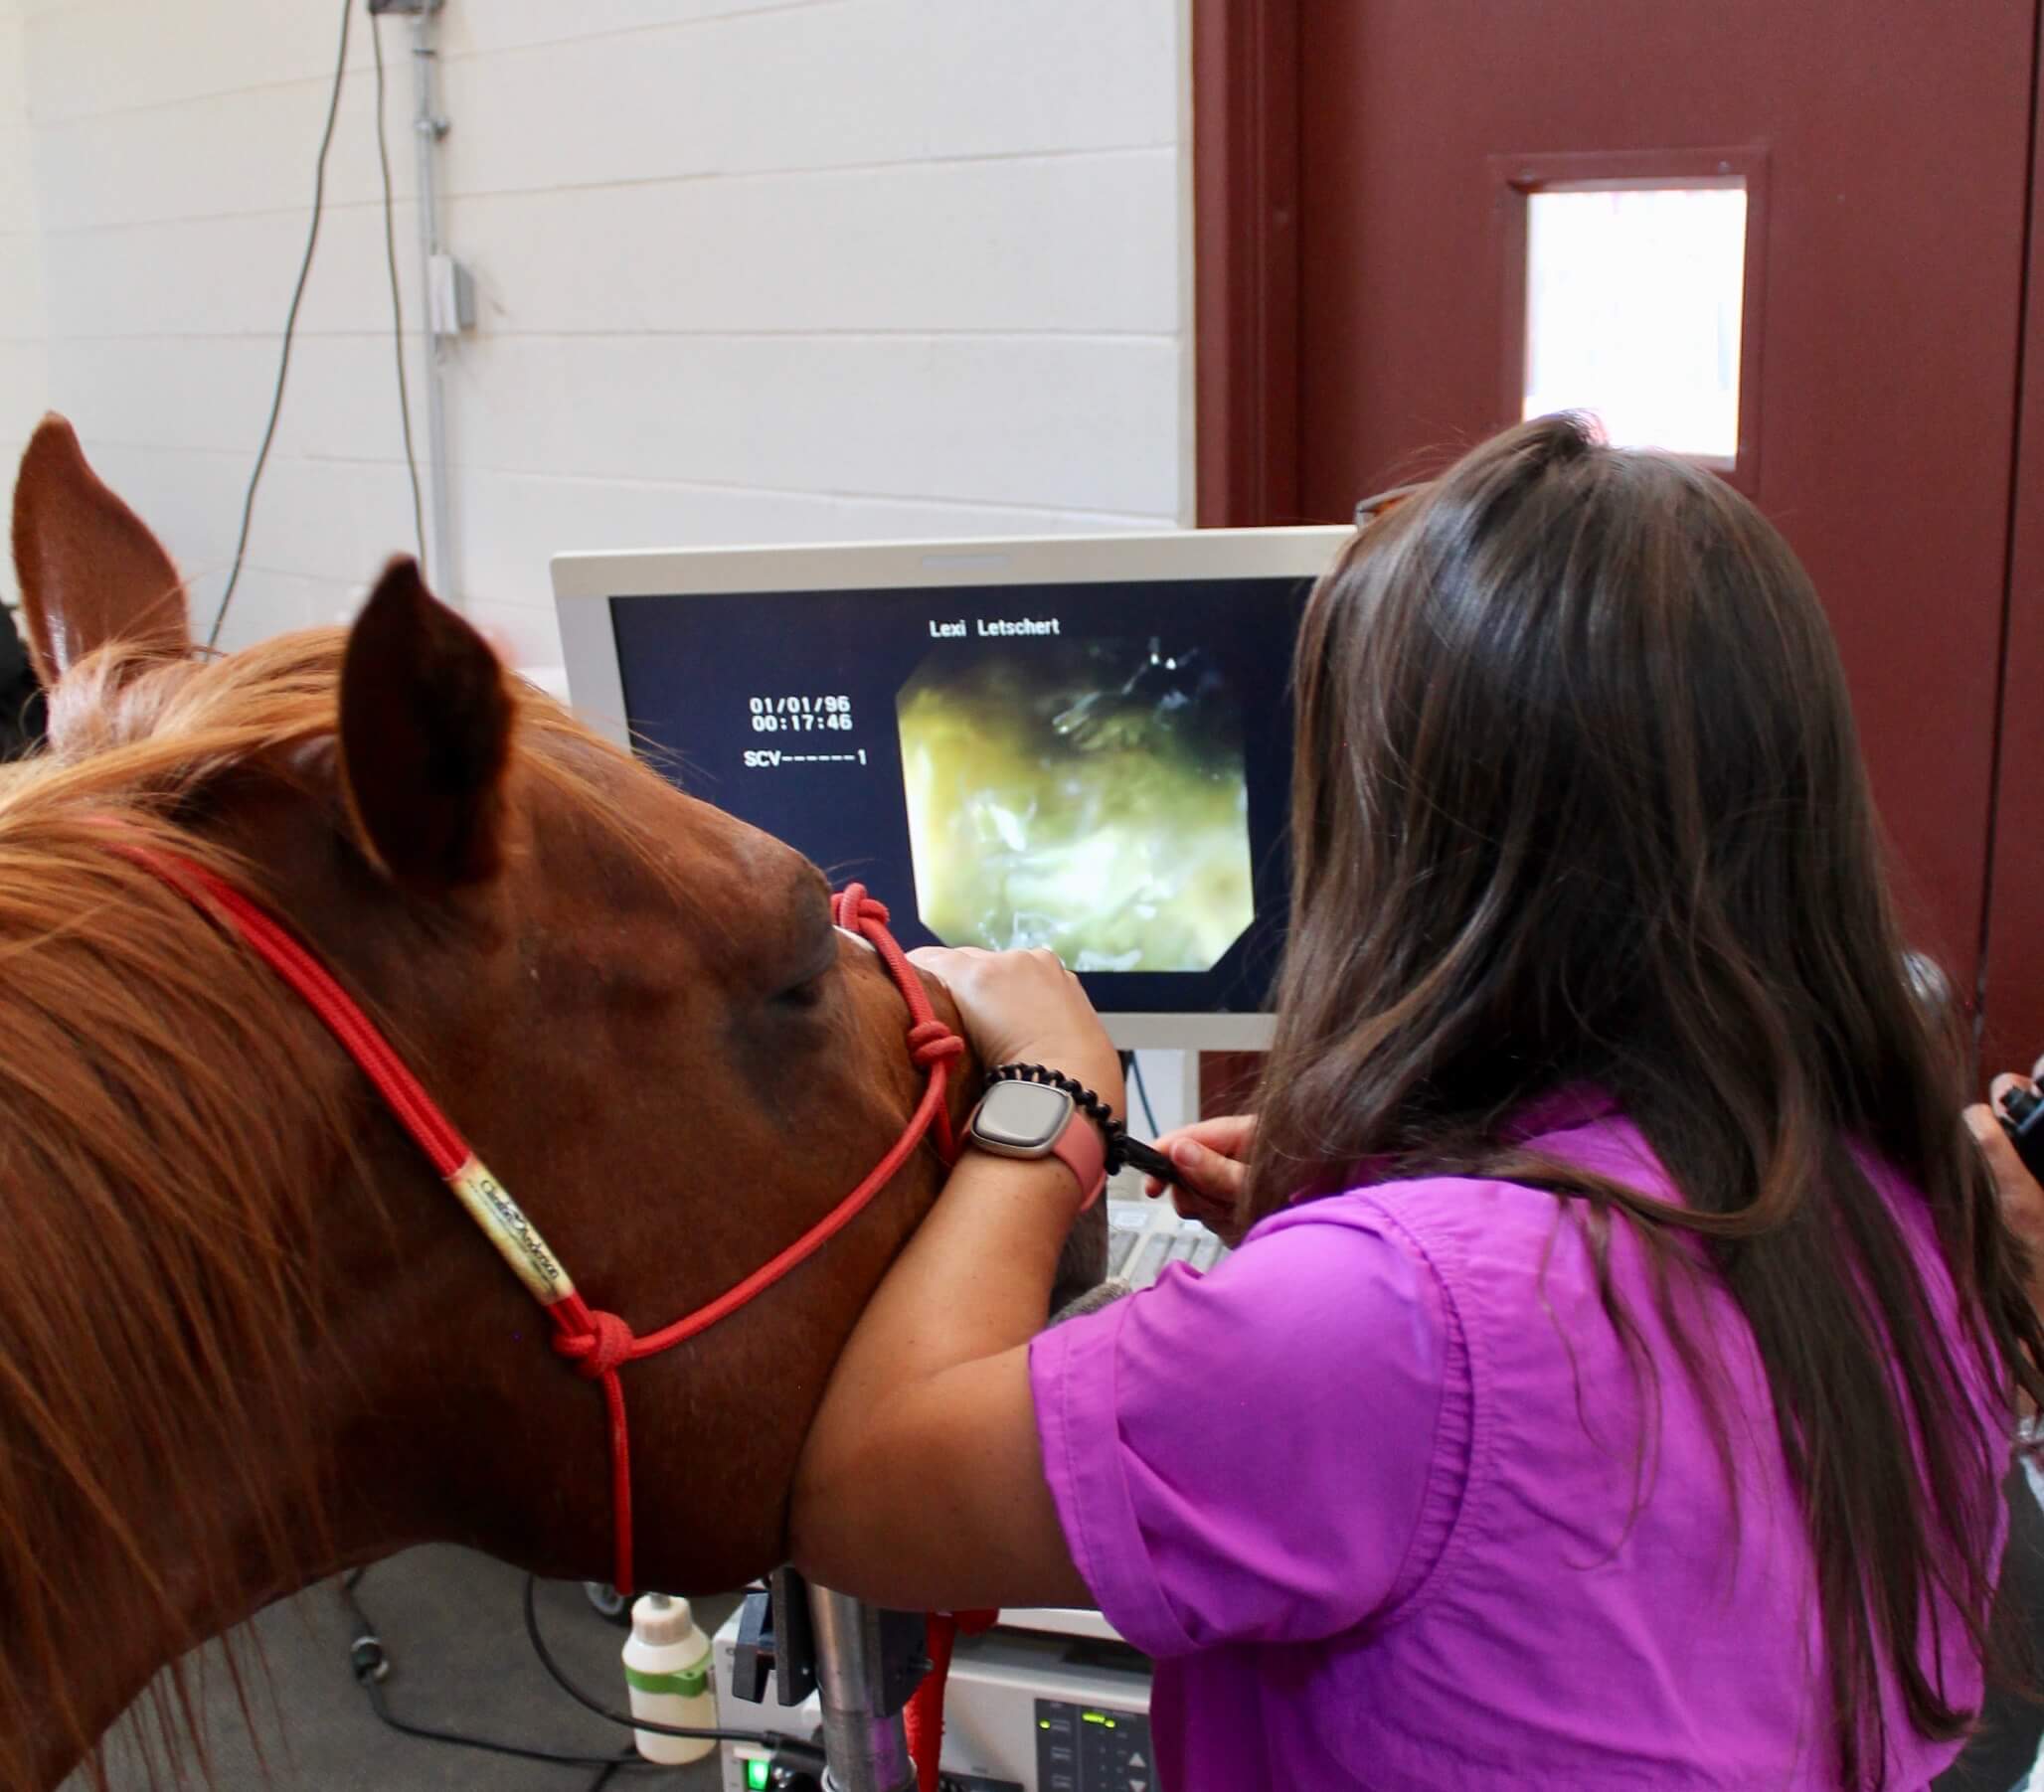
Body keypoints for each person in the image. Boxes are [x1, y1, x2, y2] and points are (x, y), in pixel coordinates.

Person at [789, 414, 2042, 1790]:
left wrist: (1046, 1103)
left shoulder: (1389, 1327)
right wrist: (1398, 1205)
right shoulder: (1907, 1207)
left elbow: (862, 1497)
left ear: (1411, 844)